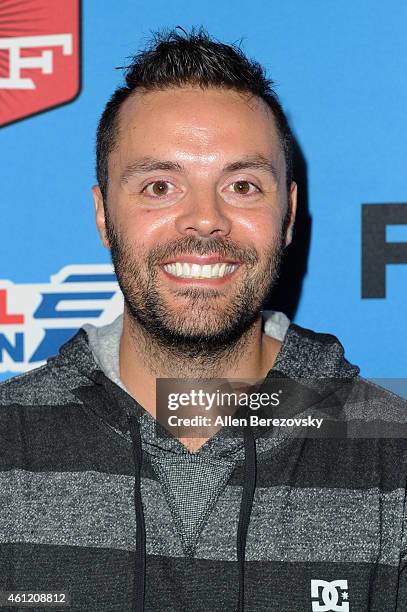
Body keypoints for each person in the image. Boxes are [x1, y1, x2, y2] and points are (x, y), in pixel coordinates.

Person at [0, 26, 406, 612]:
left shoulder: (391, 460)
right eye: (160, 186)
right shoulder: (10, 444)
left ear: (287, 216)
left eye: (241, 185)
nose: (204, 221)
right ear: (102, 214)